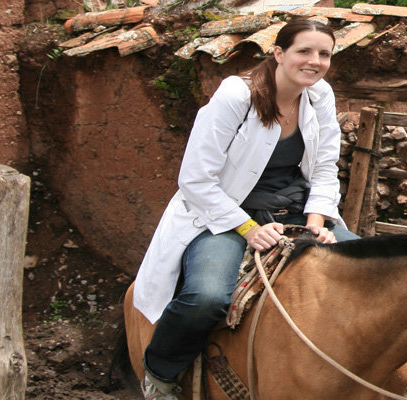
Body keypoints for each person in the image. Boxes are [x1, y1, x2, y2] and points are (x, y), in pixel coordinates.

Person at [131, 19, 358, 399]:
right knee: (206, 298)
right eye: (304, 51)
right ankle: (160, 375)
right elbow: (195, 179)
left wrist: (318, 223)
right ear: (279, 53)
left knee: (366, 274)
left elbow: (323, 168)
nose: (315, 61)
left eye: (324, 54)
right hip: (222, 214)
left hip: (296, 209)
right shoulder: (237, 95)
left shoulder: (320, 95)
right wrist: (247, 228)